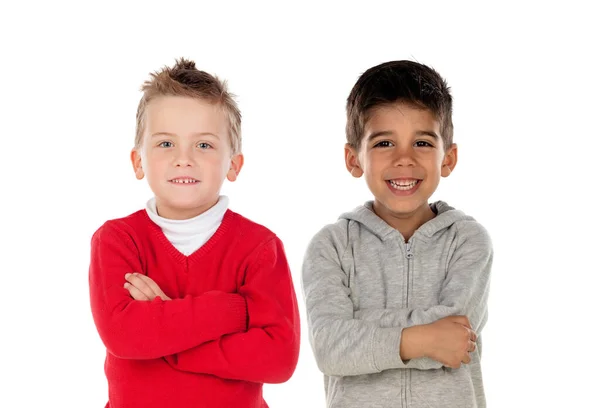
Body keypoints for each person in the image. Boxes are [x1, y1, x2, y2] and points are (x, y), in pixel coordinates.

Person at [89, 58, 300, 408]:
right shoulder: (116, 239)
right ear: (138, 161)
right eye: (165, 144)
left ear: (233, 164)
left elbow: (278, 359)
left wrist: (165, 333)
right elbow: (124, 336)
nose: (183, 159)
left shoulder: (259, 247)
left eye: (203, 145)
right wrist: (231, 310)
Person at [302, 60, 493, 408]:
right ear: (353, 158)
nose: (404, 159)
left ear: (447, 159)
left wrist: (358, 330)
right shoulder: (331, 246)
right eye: (384, 143)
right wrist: (421, 338)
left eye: (422, 143)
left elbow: (456, 338)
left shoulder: (468, 240)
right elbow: (330, 347)